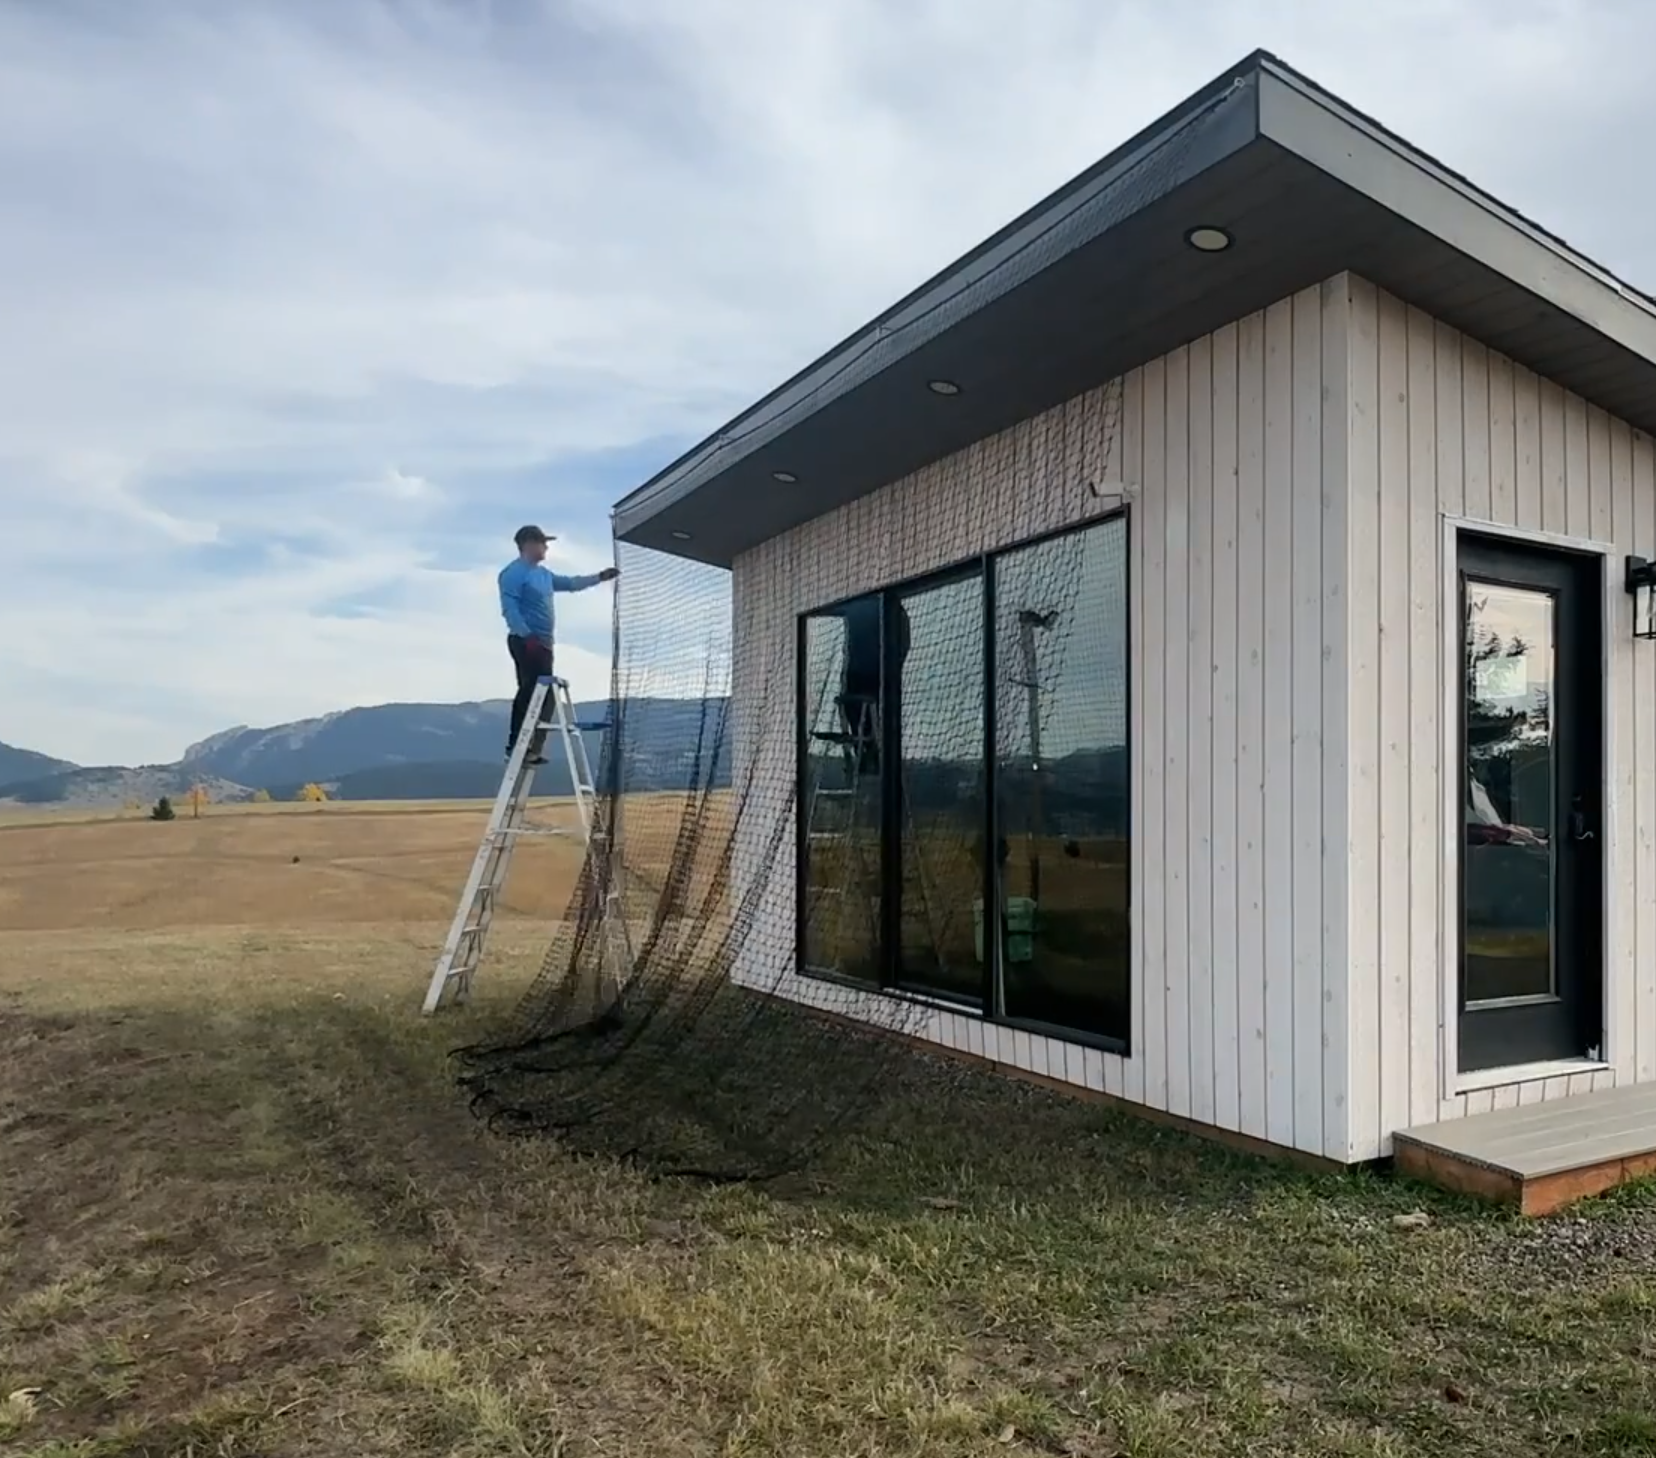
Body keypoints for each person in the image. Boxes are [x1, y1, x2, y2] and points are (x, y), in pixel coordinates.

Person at [499, 525, 618, 763]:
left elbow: (571, 583)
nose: (546, 547)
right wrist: (526, 634)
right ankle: (516, 745)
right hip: (526, 642)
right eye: (542, 543)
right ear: (529, 544)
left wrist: (599, 577)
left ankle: (534, 747)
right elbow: (509, 609)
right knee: (529, 690)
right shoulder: (512, 573)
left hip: (544, 644)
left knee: (546, 695)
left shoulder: (543, 575)